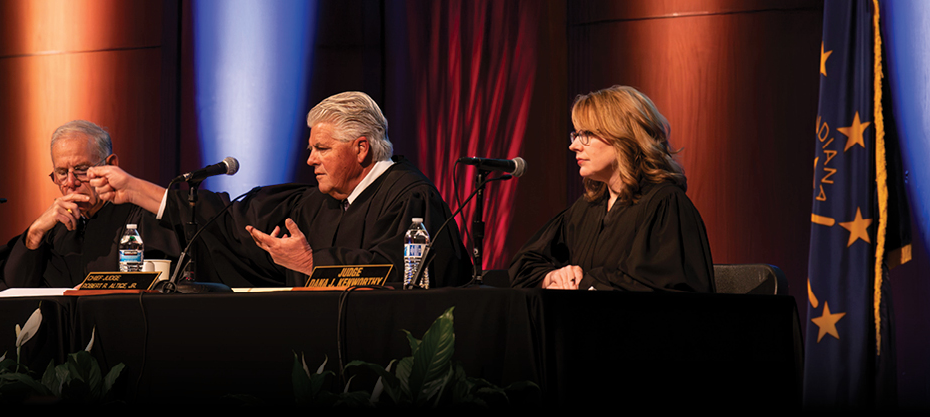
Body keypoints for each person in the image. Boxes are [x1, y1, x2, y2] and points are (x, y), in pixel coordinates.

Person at [87, 91, 472, 288]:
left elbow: (401, 275)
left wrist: (310, 263)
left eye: (322, 149)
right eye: (311, 149)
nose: (310, 160)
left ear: (361, 148)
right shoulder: (317, 203)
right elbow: (226, 221)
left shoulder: (409, 197)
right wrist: (135, 189)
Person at [508, 86, 714, 291]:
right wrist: (554, 276)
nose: (574, 146)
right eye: (576, 135)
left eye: (587, 134)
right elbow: (524, 265)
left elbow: (658, 289)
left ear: (623, 137)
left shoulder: (664, 205)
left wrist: (583, 284)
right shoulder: (587, 208)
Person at [0, 120, 180, 294]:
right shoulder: (54, 232)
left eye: (81, 170)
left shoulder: (142, 218)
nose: (70, 182)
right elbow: (11, 291)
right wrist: (35, 232)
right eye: (62, 172)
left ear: (110, 164)